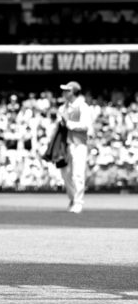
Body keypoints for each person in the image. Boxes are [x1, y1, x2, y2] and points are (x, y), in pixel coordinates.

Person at [58, 81, 92, 213]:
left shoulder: (83, 107)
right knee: (65, 174)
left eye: (68, 90)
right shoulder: (63, 108)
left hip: (79, 144)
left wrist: (69, 123)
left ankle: (78, 202)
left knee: (78, 174)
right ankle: (72, 198)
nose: (65, 93)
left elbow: (85, 126)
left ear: (74, 92)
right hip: (65, 145)